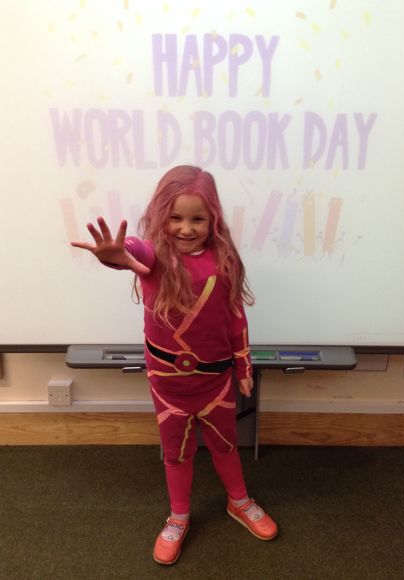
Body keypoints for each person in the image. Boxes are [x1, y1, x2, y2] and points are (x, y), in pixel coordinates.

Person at [71, 165, 278, 565]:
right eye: (176, 217)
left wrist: (244, 367)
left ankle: (239, 501)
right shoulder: (154, 258)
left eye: (197, 219)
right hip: (168, 386)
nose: (186, 228)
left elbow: (236, 318)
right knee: (176, 452)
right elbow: (136, 251)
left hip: (216, 381)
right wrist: (117, 256)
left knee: (225, 444)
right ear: (161, 215)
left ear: (212, 218)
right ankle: (178, 516)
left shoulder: (225, 261)